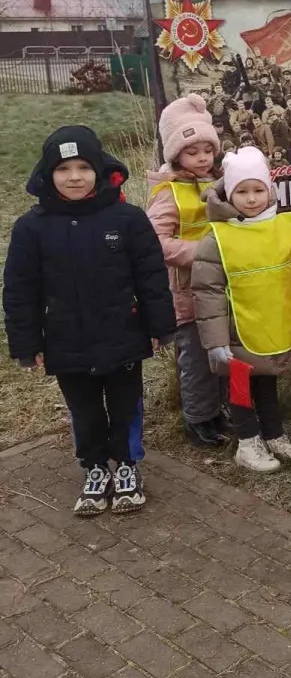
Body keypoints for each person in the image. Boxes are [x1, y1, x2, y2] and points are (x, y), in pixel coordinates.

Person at [3, 127, 175, 515]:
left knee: (126, 405)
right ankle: (95, 466)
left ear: (99, 168)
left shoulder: (128, 219)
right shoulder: (32, 228)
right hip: (66, 341)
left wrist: (159, 326)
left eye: (83, 167)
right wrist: (26, 344)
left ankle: (127, 464)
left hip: (123, 335)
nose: (74, 177)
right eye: (63, 169)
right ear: (48, 174)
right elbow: (20, 289)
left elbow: (150, 277)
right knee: (84, 410)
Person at [191, 147, 291, 473]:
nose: (252, 198)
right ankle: (247, 440)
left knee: (267, 381)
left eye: (258, 189)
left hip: (271, 325)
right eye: (242, 191)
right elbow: (208, 292)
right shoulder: (217, 238)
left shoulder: (284, 228)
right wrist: (215, 342)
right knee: (241, 386)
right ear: (229, 192)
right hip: (235, 331)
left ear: (269, 189)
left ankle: (273, 433)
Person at [147, 94, 226, 449]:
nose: (203, 158)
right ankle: (198, 418)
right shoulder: (169, 192)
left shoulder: (220, 182)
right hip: (188, 292)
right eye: (193, 152)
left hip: (222, 288)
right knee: (196, 358)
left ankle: (220, 409)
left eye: (208, 150)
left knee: (222, 353)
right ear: (176, 155)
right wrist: (201, 254)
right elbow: (154, 242)